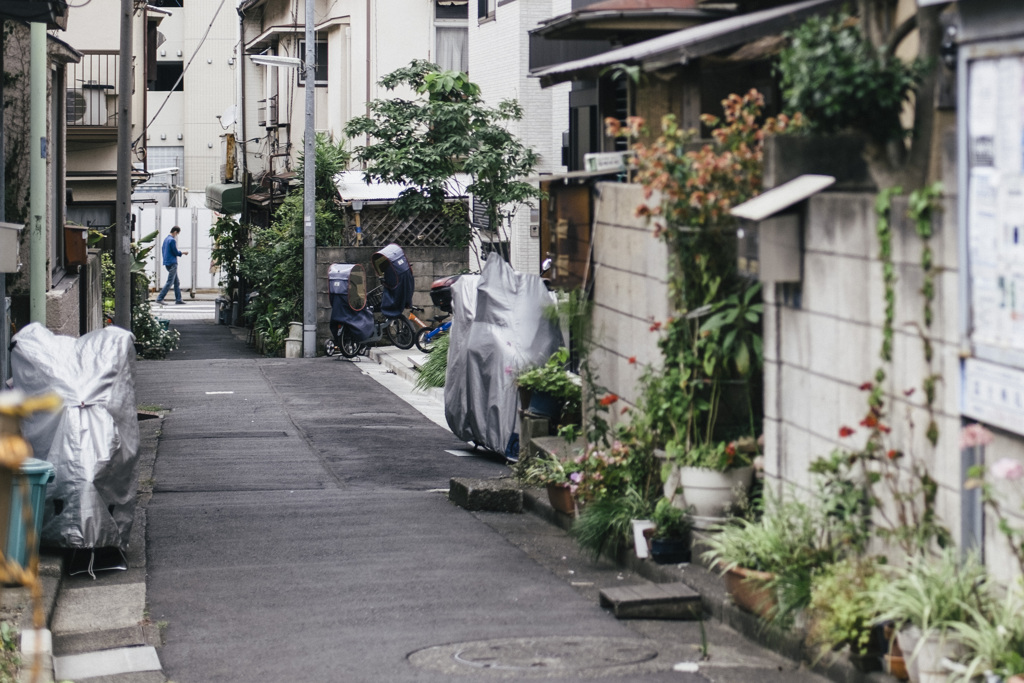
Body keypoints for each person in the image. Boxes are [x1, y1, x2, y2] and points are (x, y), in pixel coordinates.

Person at [155, 226, 189, 305]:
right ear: (175, 232)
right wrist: (183, 253)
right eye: (177, 234)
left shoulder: (166, 240)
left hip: (167, 262)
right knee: (170, 282)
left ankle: (178, 299)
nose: (176, 235)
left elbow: (163, 251)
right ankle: (160, 298)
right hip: (172, 263)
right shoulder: (172, 240)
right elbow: (175, 252)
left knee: (176, 282)